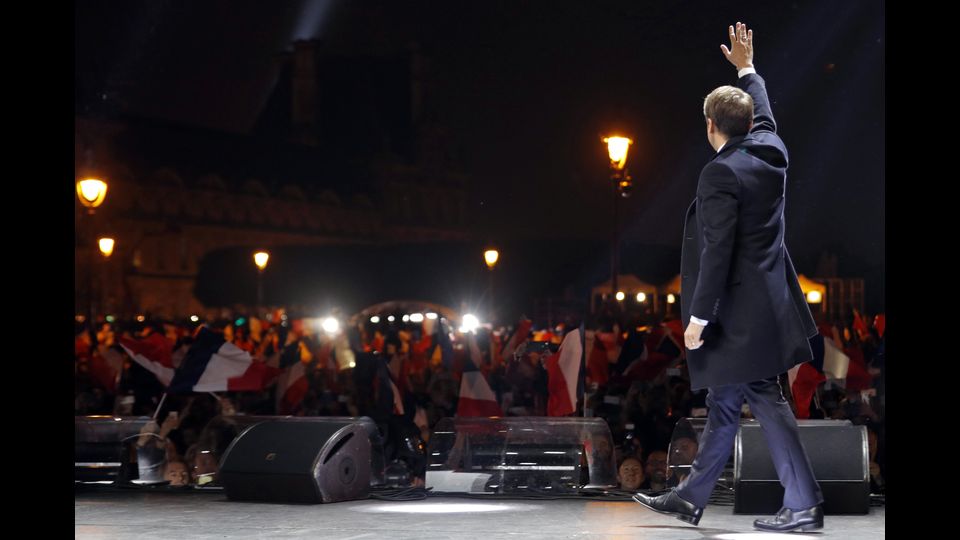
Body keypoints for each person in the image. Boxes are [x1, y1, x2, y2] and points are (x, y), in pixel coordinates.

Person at [632, 22, 824, 533]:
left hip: (736, 317)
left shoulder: (720, 173)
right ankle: (691, 497)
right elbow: (761, 110)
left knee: (763, 398)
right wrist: (747, 69)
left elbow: (716, 252)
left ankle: (803, 503)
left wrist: (697, 315)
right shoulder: (770, 150)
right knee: (724, 401)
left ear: (711, 125)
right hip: (767, 306)